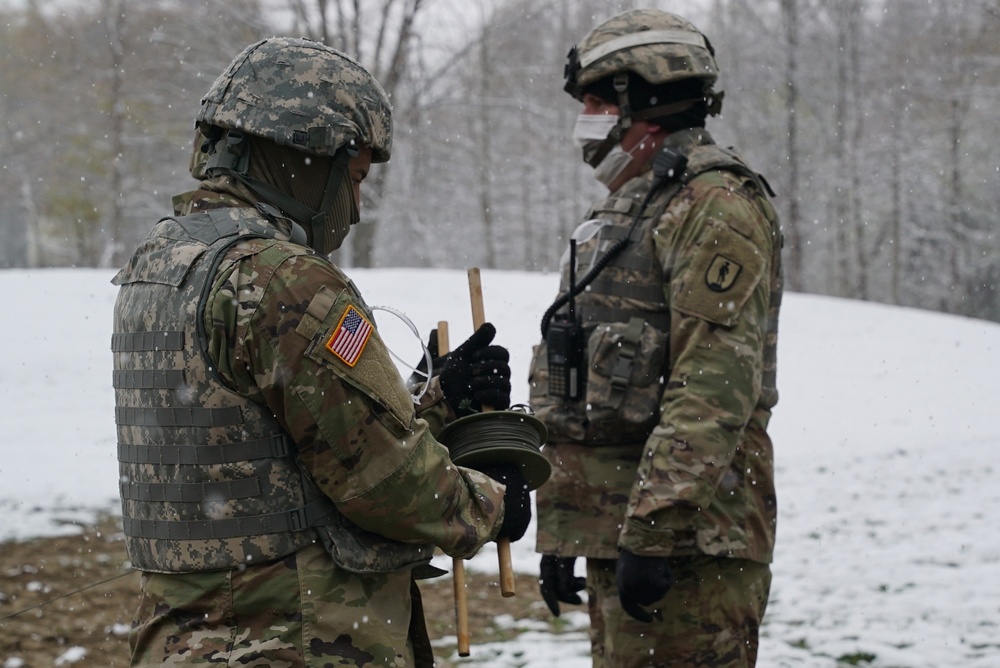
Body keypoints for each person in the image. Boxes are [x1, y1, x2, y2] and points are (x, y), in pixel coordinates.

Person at [111, 37, 530, 667]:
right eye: (354, 179)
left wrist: (436, 404)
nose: (355, 209)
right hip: (291, 635)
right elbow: (382, 481)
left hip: (189, 638)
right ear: (304, 158)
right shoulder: (282, 279)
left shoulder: (162, 263)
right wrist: (492, 503)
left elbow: (273, 452)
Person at [529, 9, 782, 667]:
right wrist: (568, 529)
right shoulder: (631, 206)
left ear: (645, 100)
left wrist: (655, 530)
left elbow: (712, 387)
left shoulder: (713, 205)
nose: (585, 119)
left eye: (594, 101)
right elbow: (589, 384)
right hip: (621, 533)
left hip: (690, 546)